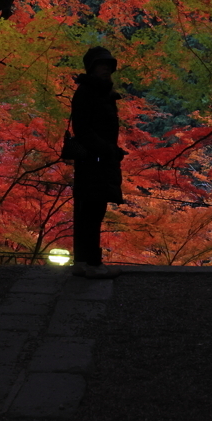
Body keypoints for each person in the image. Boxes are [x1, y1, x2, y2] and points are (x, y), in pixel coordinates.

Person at [70, 46, 127, 279]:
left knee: (90, 210)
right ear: (92, 67)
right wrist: (108, 149)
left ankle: (83, 261)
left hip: (100, 159)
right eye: (102, 65)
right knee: (93, 210)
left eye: (109, 65)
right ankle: (92, 263)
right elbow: (83, 130)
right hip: (94, 161)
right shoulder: (87, 93)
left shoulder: (102, 93)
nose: (107, 69)